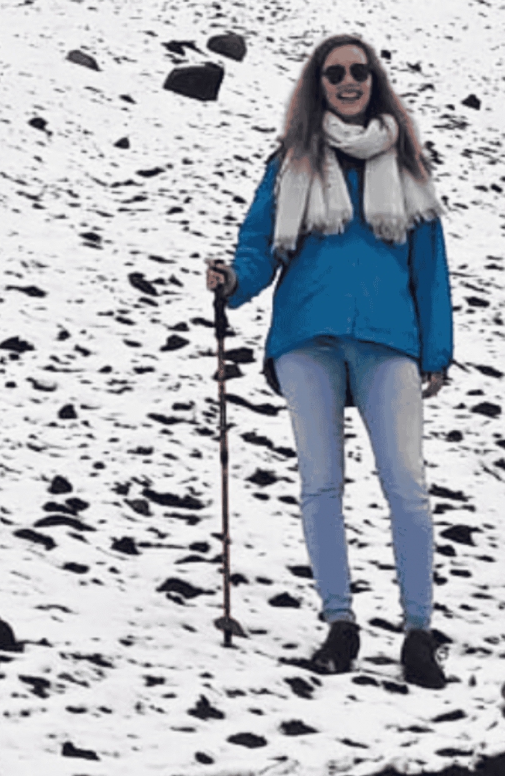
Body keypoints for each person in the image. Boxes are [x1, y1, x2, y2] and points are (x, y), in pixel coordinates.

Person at [206, 34, 454, 687]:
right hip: (306, 335)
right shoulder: (291, 162)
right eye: (335, 72)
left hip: (389, 337)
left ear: (375, 81)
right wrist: (235, 282)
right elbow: (259, 245)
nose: (348, 81)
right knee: (321, 481)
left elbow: (429, 265)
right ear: (318, 84)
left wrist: (438, 348)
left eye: (360, 71)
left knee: (406, 481)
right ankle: (339, 622)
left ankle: (419, 630)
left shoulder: (407, 163)